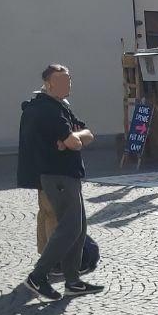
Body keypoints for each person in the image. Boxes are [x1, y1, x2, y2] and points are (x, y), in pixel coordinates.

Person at [18, 64, 104, 300]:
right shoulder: (47, 110)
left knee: (79, 228)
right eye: (63, 81)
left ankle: (73, 281)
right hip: (57, 176)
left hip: (69, 174)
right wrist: (74, 139)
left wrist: (73, 138)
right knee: (69, 228)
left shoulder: (60, 106)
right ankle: (38, 276)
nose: (69, 85)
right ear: (48, 84)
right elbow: (77, 142)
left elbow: (86, 134)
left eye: (70, 80)